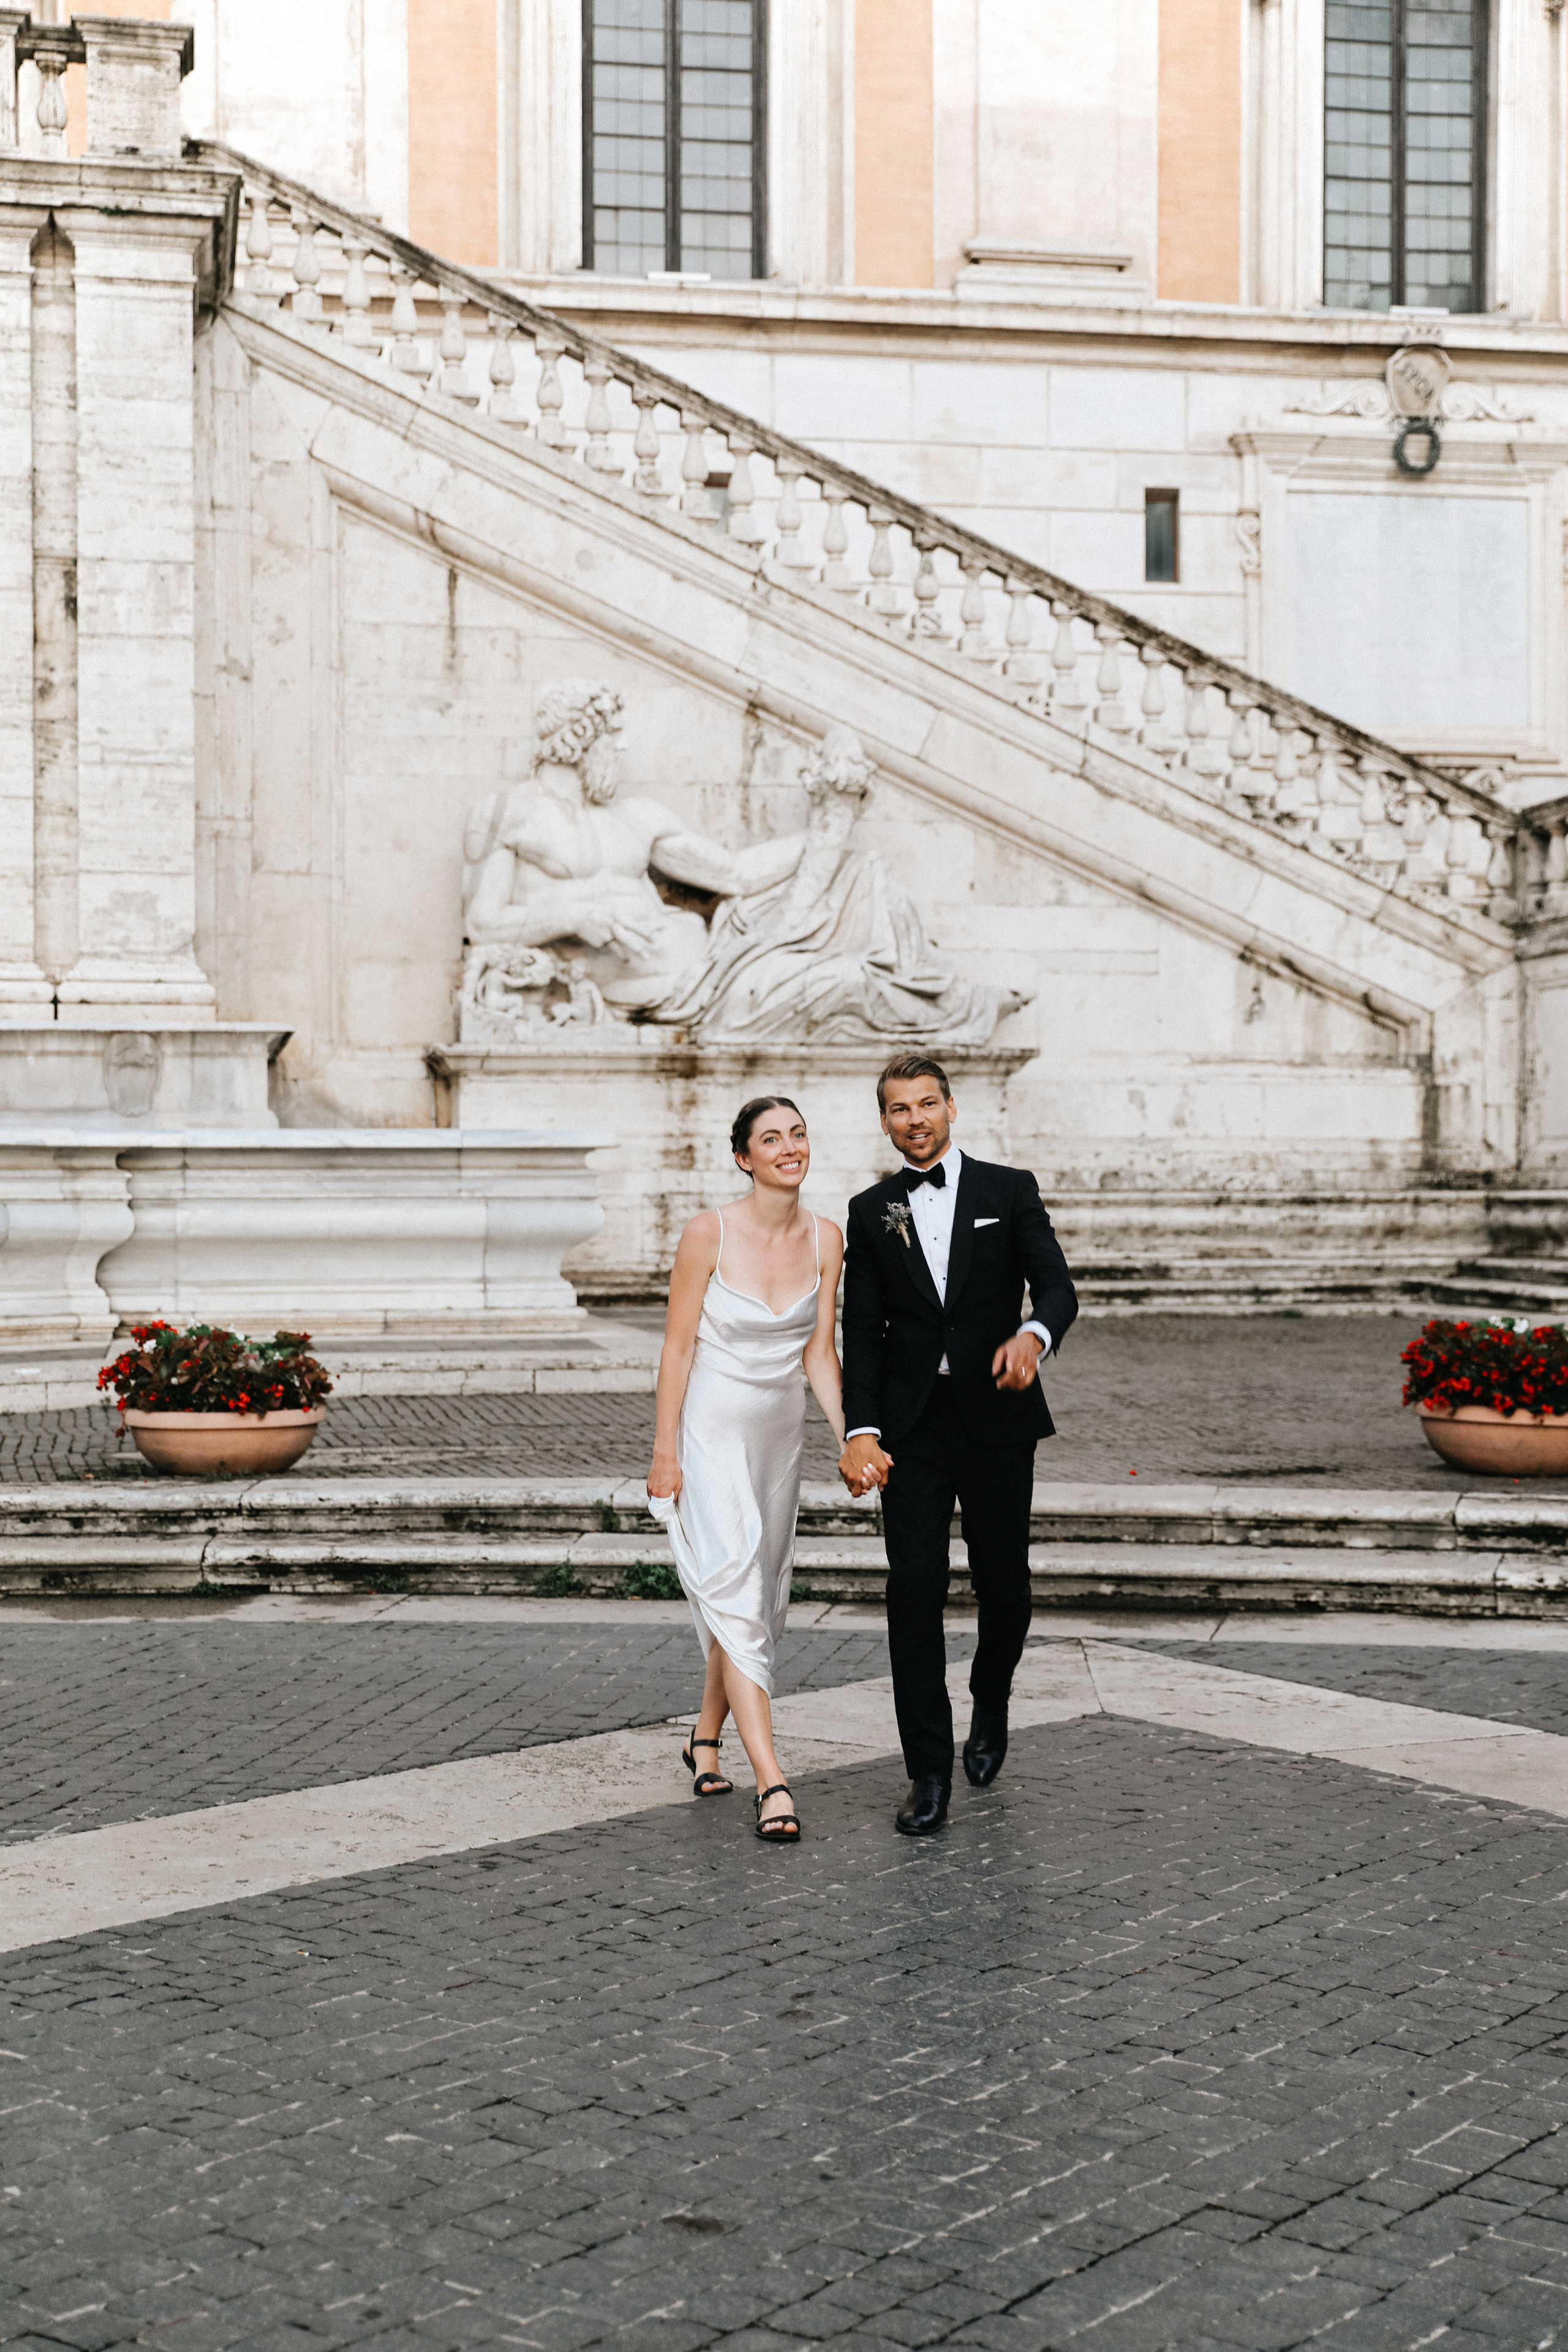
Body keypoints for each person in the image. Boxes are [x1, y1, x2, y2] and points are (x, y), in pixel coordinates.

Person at [837, 1055, 1078, 1837]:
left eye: (927, 1104)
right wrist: (860, 1427)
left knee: (1004, 1586)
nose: (915, 1119)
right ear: (884, 1122)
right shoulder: (871, 1210)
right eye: (899, 1109)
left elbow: (1056, 1287)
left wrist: (1034, 1339)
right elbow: (861, 1334)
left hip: (999, 1415)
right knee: (913, 1586)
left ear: (950, 1107)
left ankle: (992, 1695)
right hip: (911, 1425)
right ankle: (928, 1772)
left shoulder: (1008, 1190)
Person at [646, 1096, 847, 1844]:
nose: (789, 1147)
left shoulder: (828, 1238)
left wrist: (851, 1434)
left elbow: (819, 1352)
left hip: (777, 1436)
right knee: (733, 1585)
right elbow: (676, 1349)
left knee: (752, 1597)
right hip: (710, 1430)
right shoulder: (708, 1232)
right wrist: (665, 1450)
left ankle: (705, 1736)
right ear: (744, 1157)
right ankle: (773, 1780)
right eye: (772, 1139)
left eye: (798, 1133)